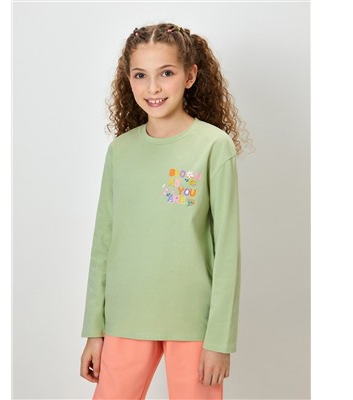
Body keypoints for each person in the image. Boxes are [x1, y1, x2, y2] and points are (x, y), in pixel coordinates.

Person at [80, 22, 250, 400]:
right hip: (125, 318)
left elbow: (226, 251)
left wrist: (219, 340)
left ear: (190, 76)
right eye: (141, 75)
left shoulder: (213, 146)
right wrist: (94, 331)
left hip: (193, 324)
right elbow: (103, 245)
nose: (153, 88)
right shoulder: (121, 151)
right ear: (128, 80)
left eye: (166, 73)